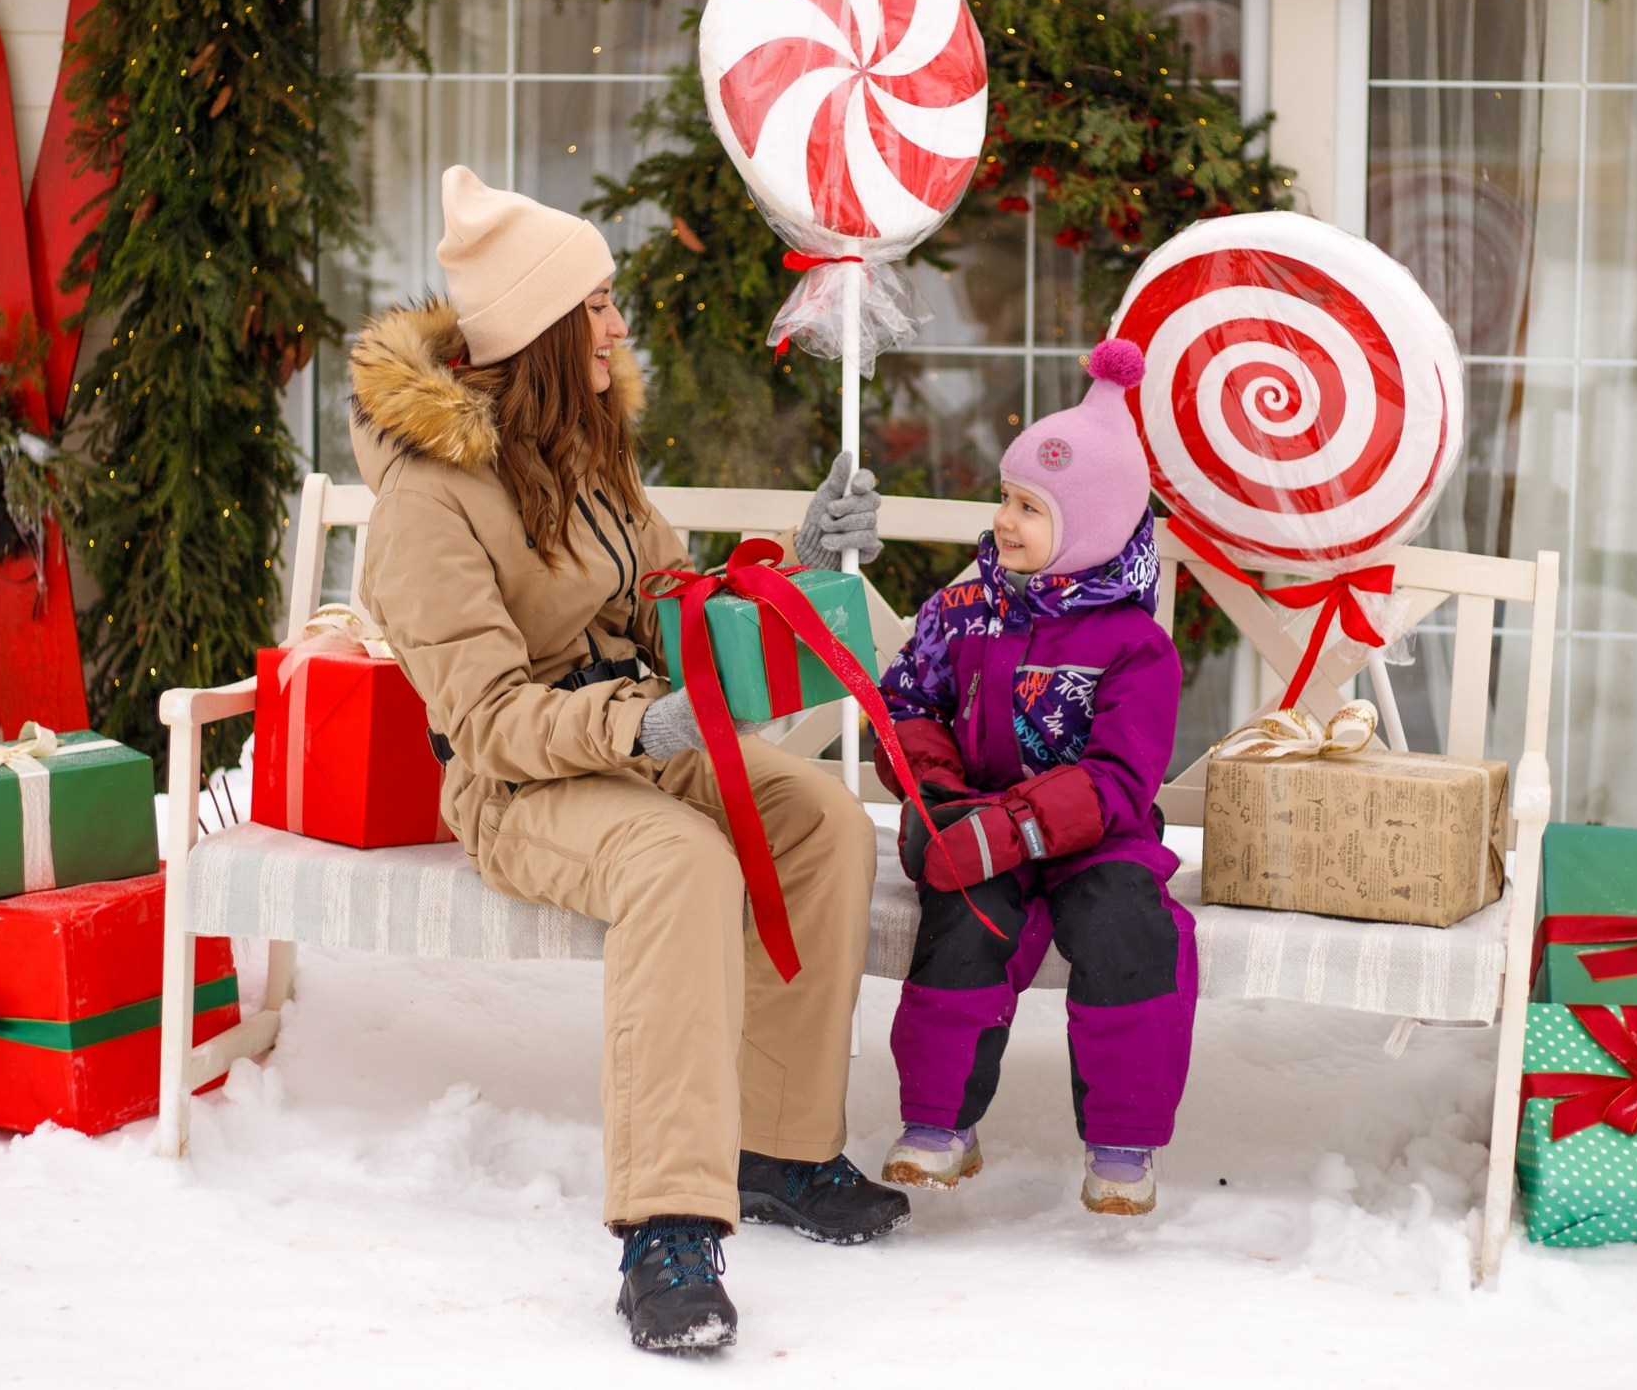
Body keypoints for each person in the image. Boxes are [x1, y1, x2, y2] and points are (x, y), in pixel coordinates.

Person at [348, 167, 908, 1353]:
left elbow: (666, 604)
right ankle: (667, 1224)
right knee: (680, 865)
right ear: (540, 328)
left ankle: (780, 1148)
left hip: (639, 742)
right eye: (595, 303)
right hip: (519, 787)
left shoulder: (586, 450)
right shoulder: (427, 501)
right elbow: (489, 718)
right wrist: (635, 726)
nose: (616, 322)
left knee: (824, 820)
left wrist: (793, 560)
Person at [870, 338, 1196, 1216]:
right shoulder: (965, 609)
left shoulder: (1136, 646)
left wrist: (1015, 825)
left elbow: (1123, 775)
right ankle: (940, 1122)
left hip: (1098, 837)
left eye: (1032, 508)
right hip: (978, 825)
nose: (1005, 521)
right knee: (965, 924)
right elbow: (904, 703)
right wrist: (935, 792)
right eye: (1006, 498)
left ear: (1089, 527)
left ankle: (1123, 1142)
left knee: (1131, 930)